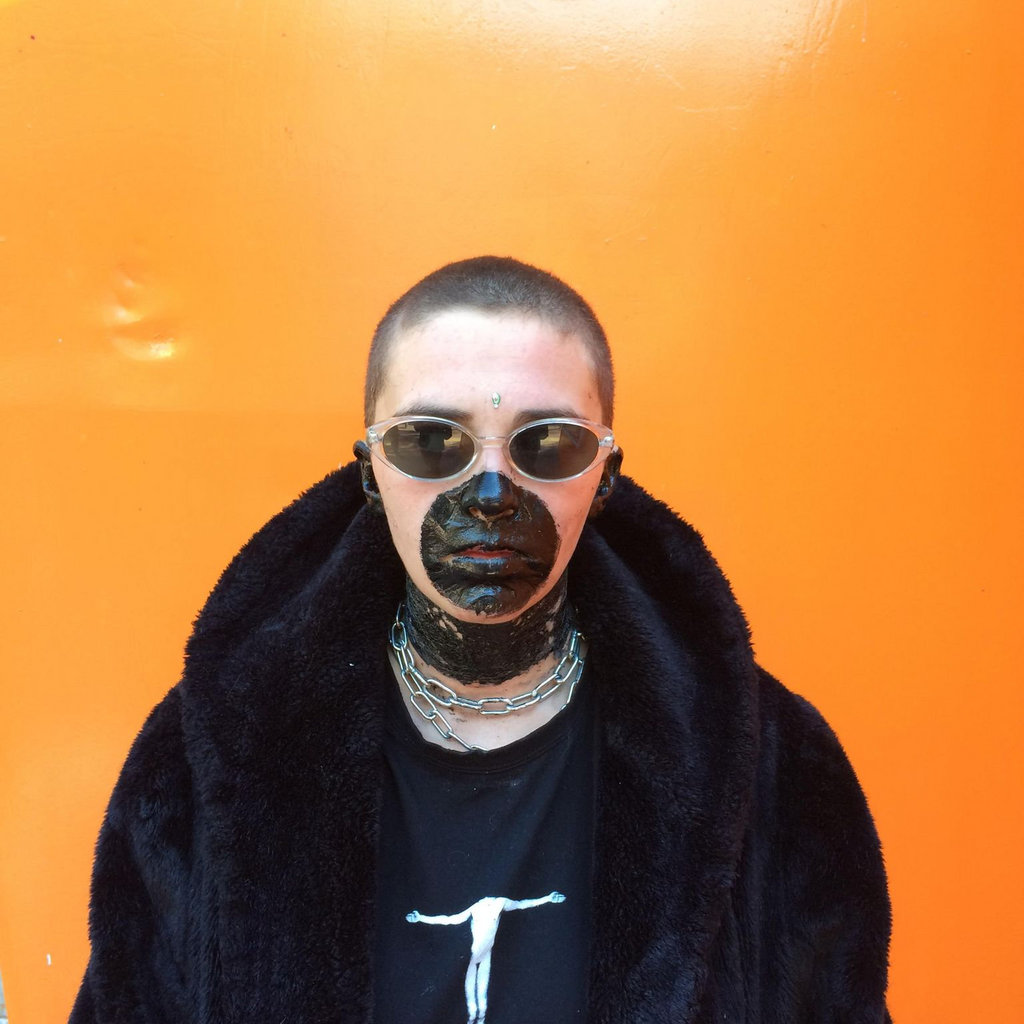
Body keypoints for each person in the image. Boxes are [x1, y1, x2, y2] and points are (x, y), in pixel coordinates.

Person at [71, 256, 891, 1023]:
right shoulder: (208, 756)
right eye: (432, 441)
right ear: (370, 470)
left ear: (604, 476)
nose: (492, 491)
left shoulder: (769, 762)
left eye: (548, 444)